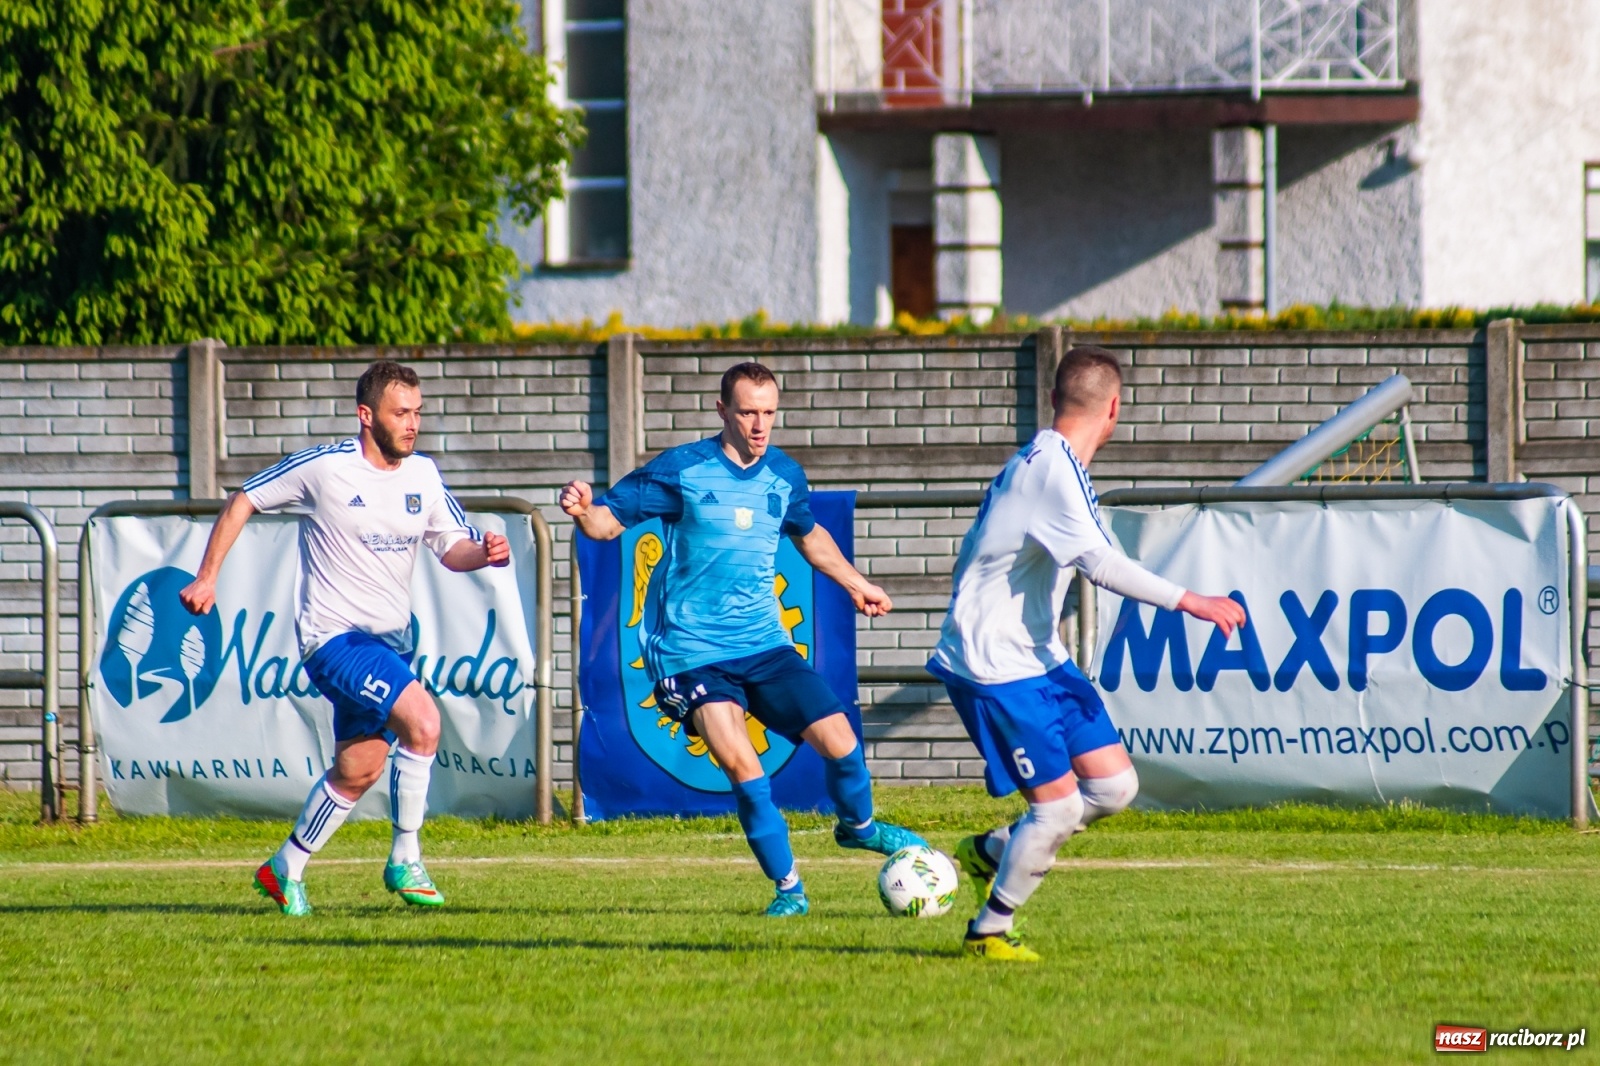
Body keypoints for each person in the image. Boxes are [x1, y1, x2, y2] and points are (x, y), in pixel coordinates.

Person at [561, 361, 927, 916]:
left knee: (843, 744)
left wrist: (858, 583)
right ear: (722, 411)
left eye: (769, 413)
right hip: (690, 652)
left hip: (764, 643)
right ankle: (790, 892)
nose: (760, 425)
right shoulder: (682, 470)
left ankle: (859, 827)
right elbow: (608, 524)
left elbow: (809, 535)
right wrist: (584, 509)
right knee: (743, 765)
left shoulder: (784, 475)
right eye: (748, 412)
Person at [930, 346, 1247, 962]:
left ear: (1053, 399)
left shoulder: (1050, 459)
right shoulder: (1056, 470)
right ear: (1115, 409)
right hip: (994, 663)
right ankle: (989, 931)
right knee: (1058, 808)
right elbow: (1100, 565)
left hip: (1038, 657)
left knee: (1114, 786)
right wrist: (1192, 602)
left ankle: (990, 852)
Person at [179, 360, 510, 917]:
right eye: (400, 413)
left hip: (390, 643)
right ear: (366, 415)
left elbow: (451, 546)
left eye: (418, 413)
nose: (412, 424)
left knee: (358, 771)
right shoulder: (326, 469)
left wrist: (485, 552)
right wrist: (208, 575)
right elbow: (244, 500)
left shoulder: (423, 475)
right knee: (424, 723)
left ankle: (284, 867)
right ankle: (406, 858)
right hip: (333, 640)